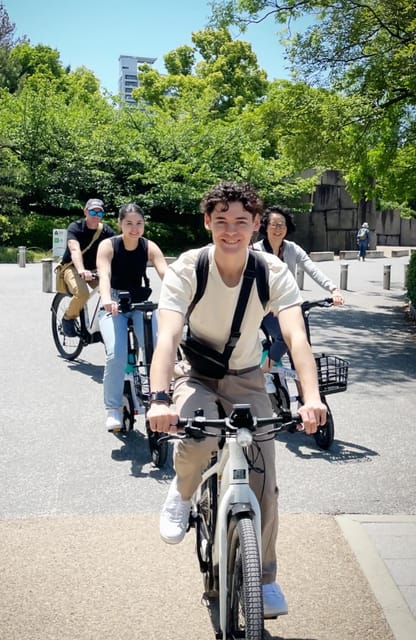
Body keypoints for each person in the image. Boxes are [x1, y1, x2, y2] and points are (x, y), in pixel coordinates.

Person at [146, 181, 327, 619]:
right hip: (197, 373)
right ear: (207, 222)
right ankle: (184, 491)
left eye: (241, 222)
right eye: (221, 221)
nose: (231, 231)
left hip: (248, 376)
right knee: (199, 436)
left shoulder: (271, 271)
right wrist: (158, 398)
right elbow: (168, 335)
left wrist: (312, 397)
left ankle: (263, 578)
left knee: (264, 476)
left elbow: (296, 336)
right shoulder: (190, 267)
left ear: (256, 225)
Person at [97, 203, 168, 432]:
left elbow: (166, 274)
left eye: (139, 223)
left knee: (157, 348)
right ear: (120, 224)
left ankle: (161, 398)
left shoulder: (149, 246)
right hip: (114, 304)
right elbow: (104, 275)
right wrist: (107, 298)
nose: (134, 228)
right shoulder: (108, 245)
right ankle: (113, 408)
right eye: (129, 223)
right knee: (116, 354)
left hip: (140, 304)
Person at [252, 205, 344, 366]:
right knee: (286, 338)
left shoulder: (292, 249)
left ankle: (302, 388)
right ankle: (264, 370)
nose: (278, 229)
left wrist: (333, 289)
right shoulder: (255, 251)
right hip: (264, 309)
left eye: (282, 225)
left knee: (301, 350)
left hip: (288, 306)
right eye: (274, 224)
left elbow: (312, 269)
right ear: (265, 226)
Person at [59, 198, 115, 337]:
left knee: (113, 291)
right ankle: (68, 318)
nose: (96, 216)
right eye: (92, 212)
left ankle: (103, 323)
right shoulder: (75, 227)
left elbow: (117, 249)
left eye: (100, 213)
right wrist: (81, 270)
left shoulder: (106, 230)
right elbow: (74, 250)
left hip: (95, 269)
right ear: (85, 211)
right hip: (73, 267)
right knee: (82, 293)